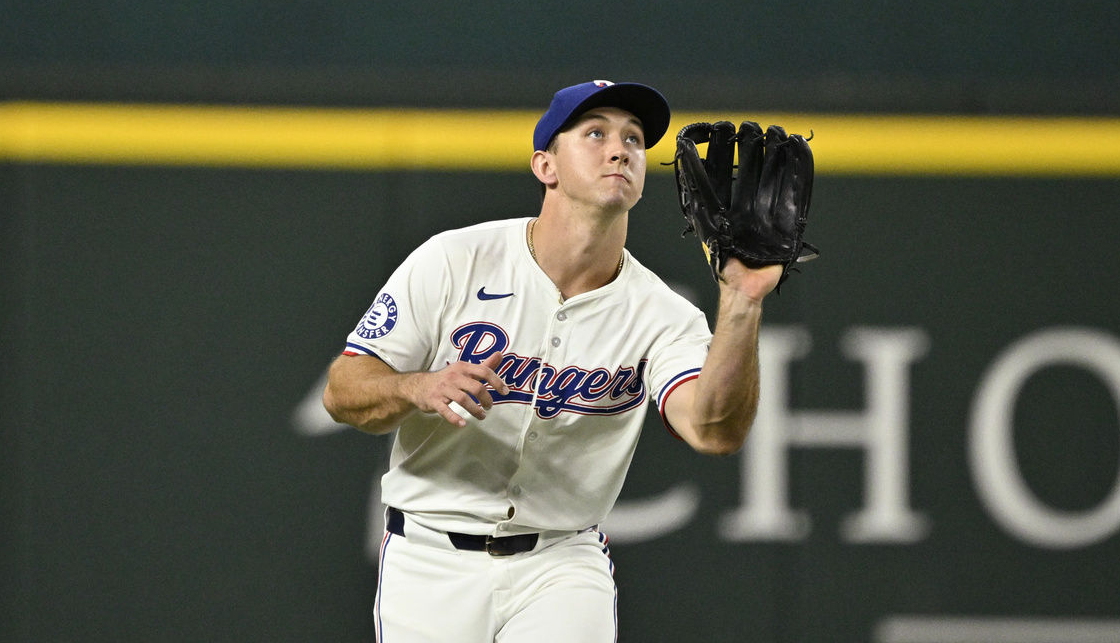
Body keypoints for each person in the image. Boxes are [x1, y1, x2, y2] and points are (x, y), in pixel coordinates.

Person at [323, 79, 789, 642]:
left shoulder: (662, 313)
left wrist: (741, 303)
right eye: (595, 133)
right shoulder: (455, 260)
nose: (620, 149)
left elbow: (714, 430)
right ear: (546, 166)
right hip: (429, 556)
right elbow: (343, 389)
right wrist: (416, 387)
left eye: (635, 139)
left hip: (562, 563)